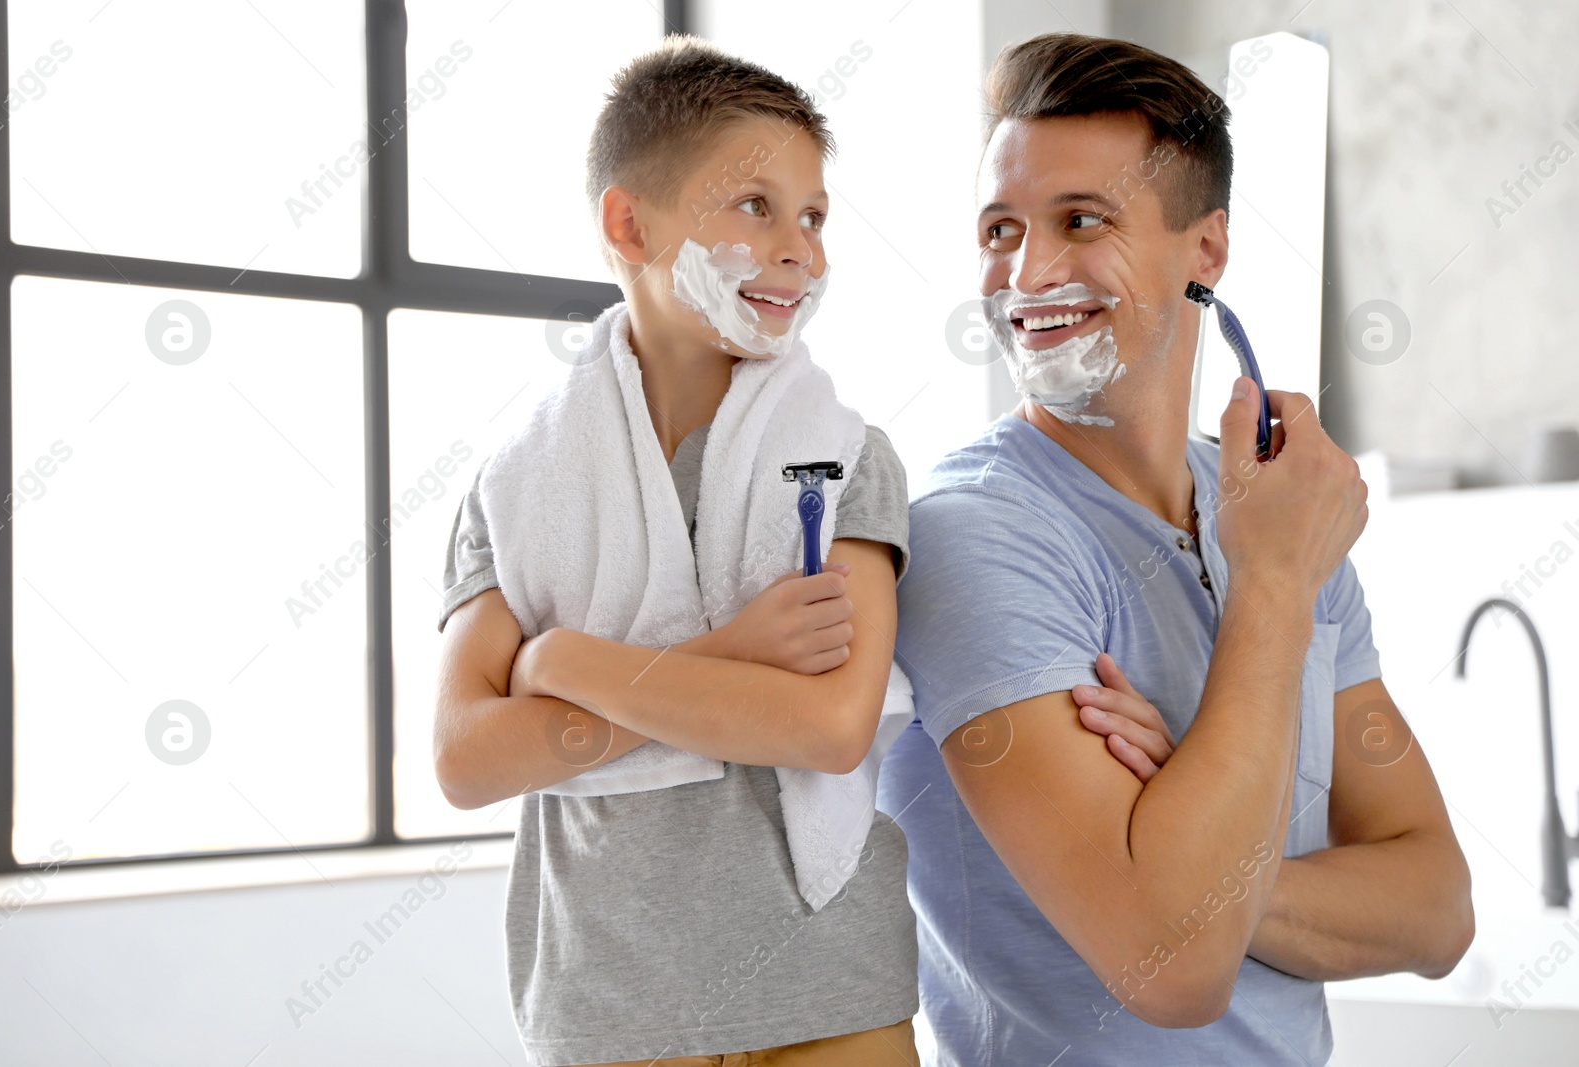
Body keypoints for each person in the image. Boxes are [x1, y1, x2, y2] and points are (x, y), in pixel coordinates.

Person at [878, 32, 1473, 1065]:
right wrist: (1275, 585)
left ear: (1207, 249)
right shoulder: (976, 534)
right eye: (999, 227)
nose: (1027, 270)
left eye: (1081, 220)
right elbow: (1174, 968)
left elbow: (1438, 907)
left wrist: (1202, 868)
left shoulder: (1274, 506)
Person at [433, 37, 920, 1067]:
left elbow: (831, 728)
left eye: (815, 215)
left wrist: (563, 665)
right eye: (756, 206)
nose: (802, 250)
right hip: (608, 996)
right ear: (628, 223)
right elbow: (468, 758)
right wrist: (737, 652)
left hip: (830, 984)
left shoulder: (841, 461)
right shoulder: (517, 486)